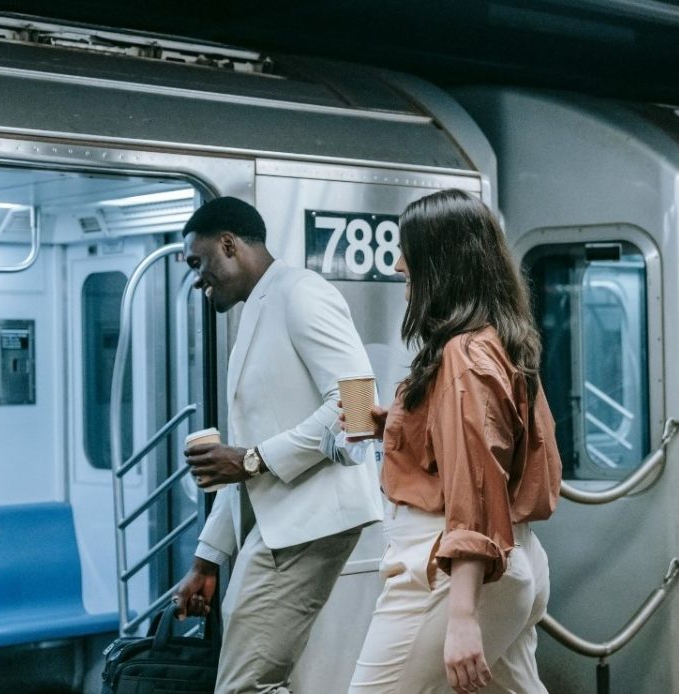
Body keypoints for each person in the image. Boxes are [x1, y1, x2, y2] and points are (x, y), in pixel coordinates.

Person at [347, 189, 562, 693]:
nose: (400, 264)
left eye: (409, 252)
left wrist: (463, 614)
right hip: (515, 552)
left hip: (450, 568)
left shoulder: (461, 357)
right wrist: (397, 426)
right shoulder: (500, 339)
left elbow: (474, 486)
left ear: (440, 263)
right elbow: (509, 453)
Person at [172, 196, 384, 693]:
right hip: (282, 523)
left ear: (229, 244)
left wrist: (249, 458)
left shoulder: (301, 293)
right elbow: (248, 459)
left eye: (198, 262)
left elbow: (357, 403)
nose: (197, 279)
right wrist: (208, 560)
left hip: (310, 521)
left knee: (246, 686)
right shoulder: (258, 308)